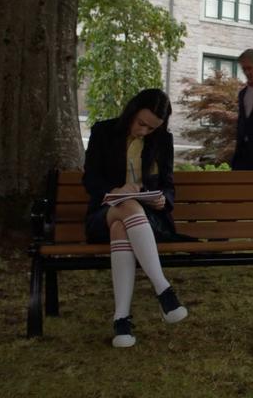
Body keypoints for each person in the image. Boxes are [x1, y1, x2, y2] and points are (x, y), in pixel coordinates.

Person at [82, 89, 188, 348]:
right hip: (103, 214)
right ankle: (163, 290)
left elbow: (168, 186)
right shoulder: (104, 132)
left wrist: (163, 199)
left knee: (122, 226)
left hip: (149, 220)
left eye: (151, 128)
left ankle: (122, 321)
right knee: (125, 207)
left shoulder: (163, 141)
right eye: (141, 123)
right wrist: (113, 192)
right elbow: (90, 178)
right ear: (131, 111)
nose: (144, 131)